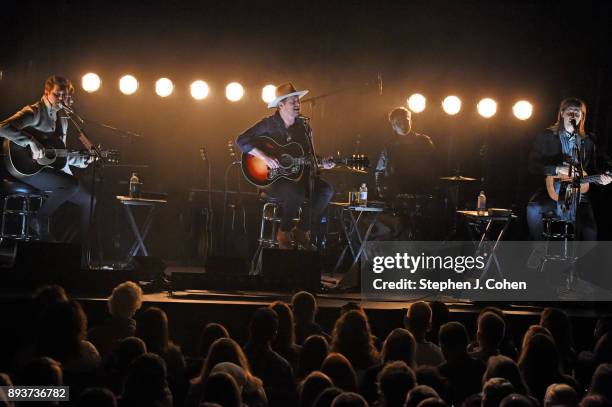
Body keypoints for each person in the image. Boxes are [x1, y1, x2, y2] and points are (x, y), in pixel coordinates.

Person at [0, 75, 95, 251]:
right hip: (25, 168)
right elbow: (3, 128)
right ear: (46, 92)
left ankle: (80, 251)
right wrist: (30, 141)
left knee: (89, 200)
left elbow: (58, 153)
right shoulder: (34, 112)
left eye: (64, 95)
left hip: (50, 171)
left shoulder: (63, 119)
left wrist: (83, 161)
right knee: (71, 184)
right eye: (57, 94)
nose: (61, 99)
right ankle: (40, 218)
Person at [236, 83, 334, 249]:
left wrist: (322, 163)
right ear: (281, 105)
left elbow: (308, 157)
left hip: (297, 178)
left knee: (326, 190)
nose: (297, 104)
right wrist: (265, 157)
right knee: (295, 191)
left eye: (298, 101)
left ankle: (302, 230)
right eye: (293, 101)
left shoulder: (303, 128)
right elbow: (242, 140)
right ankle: (284, 232)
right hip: (272, 181)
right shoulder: (268, 125)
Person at [527, 97, 612, 240]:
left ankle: (579, 262)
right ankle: (538, 248)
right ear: (562, 113)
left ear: (582, 117)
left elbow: (599, 165)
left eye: (577, 113)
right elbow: (532, 165)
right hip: (553, 191)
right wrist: (557, 169)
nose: (573, 116)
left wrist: (604, 177)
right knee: (533, 208)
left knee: (590, 233)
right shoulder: (547, 136)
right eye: (570, 112)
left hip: (579, 194)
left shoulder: (589, 140)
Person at [373, 107, 438, 239]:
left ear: (410, 121)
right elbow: (379, 170)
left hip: (419, 192)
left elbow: (434, 167)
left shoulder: (424, 142)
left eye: (405, 120)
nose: (402, 124)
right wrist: (380, 189)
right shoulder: (389, 145)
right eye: (398, 122)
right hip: (395, 194)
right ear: (393, 125)